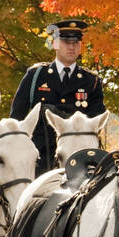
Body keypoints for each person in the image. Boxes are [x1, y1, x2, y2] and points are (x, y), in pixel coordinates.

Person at [10, 19, 106, 176]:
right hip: (38, 163)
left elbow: (96, 123)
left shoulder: (91, 81)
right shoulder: (35, 76)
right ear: (55, 44)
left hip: (79, 165)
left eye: (76, 42)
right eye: (66, 41)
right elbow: (16, 119)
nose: (71, 46)